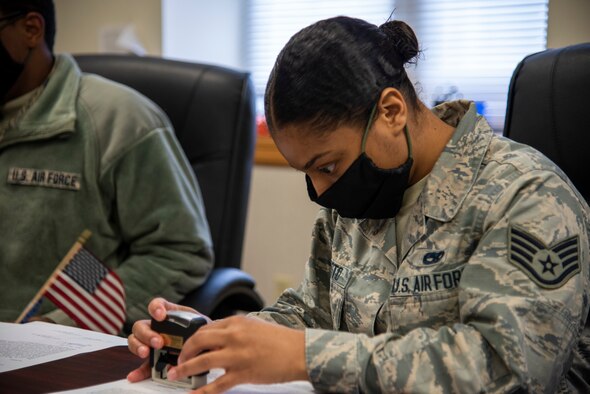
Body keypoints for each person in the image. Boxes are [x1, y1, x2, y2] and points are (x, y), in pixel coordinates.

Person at [127, 16, 590, 393]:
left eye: (326, 166)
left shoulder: (527, 195)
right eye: (306, 171)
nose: (322, 191)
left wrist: (304, 356)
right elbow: (312, 311)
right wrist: (214, 340)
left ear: (392, 112)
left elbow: (509, 371)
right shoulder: (365, 188)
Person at [0, 0, 213, 334]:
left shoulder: (119, 120)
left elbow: (178, 251)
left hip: (59, 353)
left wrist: (56, 325)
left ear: (31, 29)